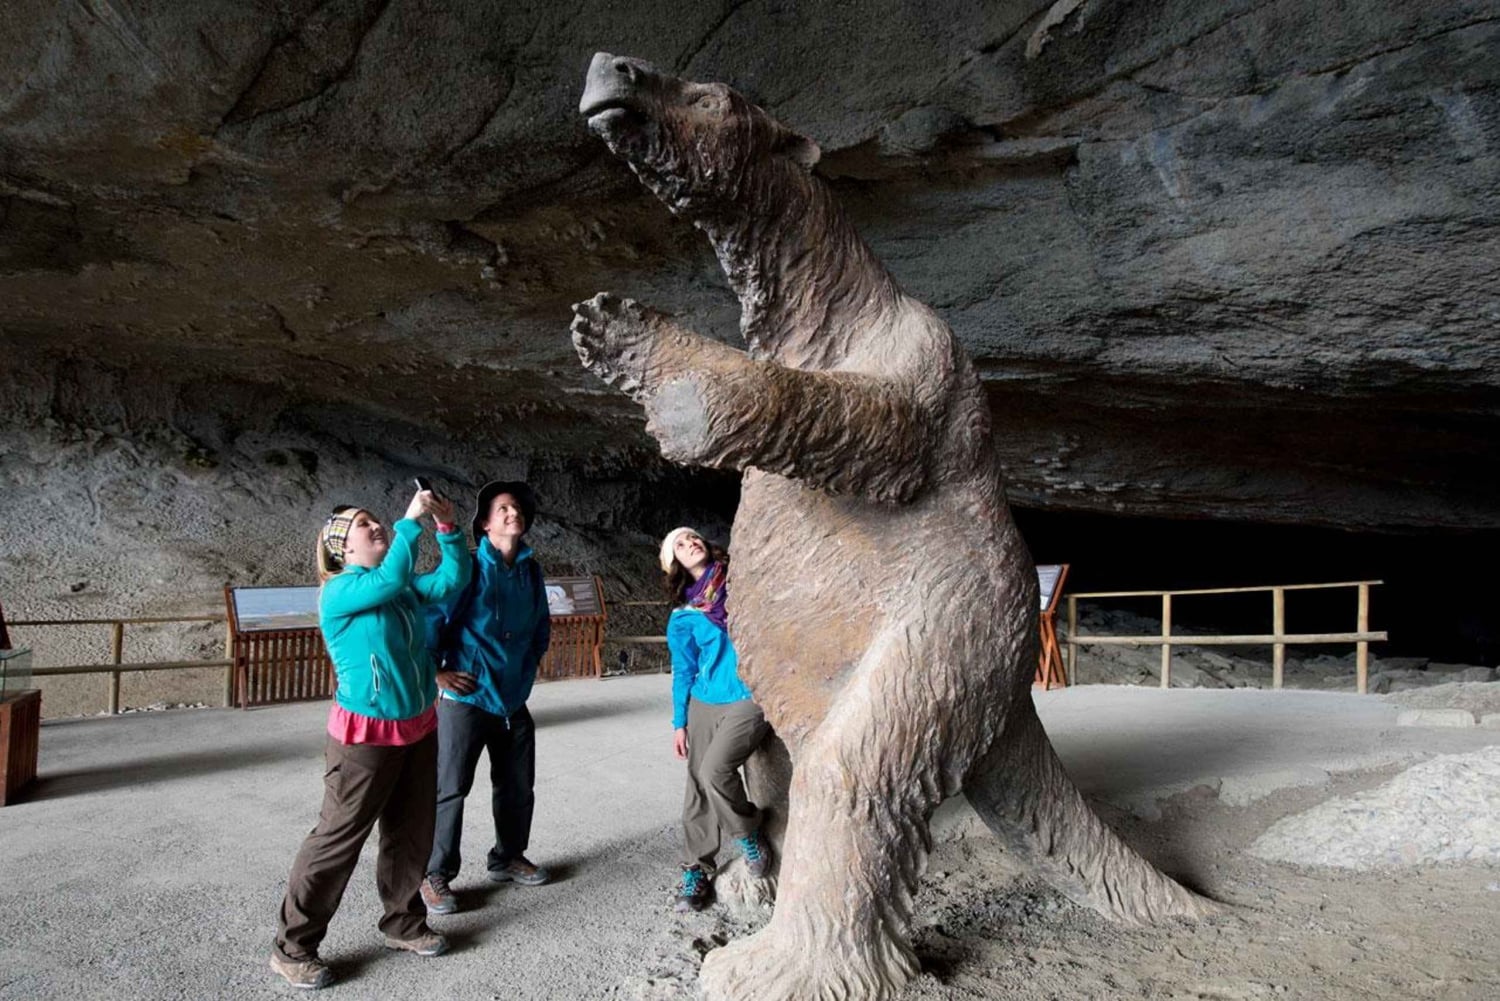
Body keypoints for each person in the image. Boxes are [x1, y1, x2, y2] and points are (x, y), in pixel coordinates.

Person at [270, 488, 470, 991]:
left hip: (417, 726)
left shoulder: (396, 588)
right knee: (338, 839)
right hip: (365, 736)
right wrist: (409, 522)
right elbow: (394, 576)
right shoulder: (339, 590)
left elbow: (451, 581)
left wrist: (448, 530)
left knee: (410, 830)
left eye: (376, 520)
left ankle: (402, 924)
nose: (376, 526)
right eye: (365, 525)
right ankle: (293, 947)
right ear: (342, 548)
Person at [420, 480, 553, 915]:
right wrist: (435, 672)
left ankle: (508, 857)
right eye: (502, 509)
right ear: (483, 523)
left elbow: (539, 628)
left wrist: (527, 669)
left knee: (517, 784)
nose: (512, 513)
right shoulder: (471, 568)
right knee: (450, 787)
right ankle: (435, 873)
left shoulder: (531, 570)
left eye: (517, 508)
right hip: (468, 696)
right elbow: (433, 619)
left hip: (513, 697)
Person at [659, 526, 771, 913]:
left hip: (750, 695)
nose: (690, 542)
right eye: (679, 543)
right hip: (704, 701)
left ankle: (748, 830)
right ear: (673, 562)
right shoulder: (684, 616)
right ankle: (696, 870)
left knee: (714, 771)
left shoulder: (741, 578)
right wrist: (679, 722)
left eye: (693, 536)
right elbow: (683, 671)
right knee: (696, 786)